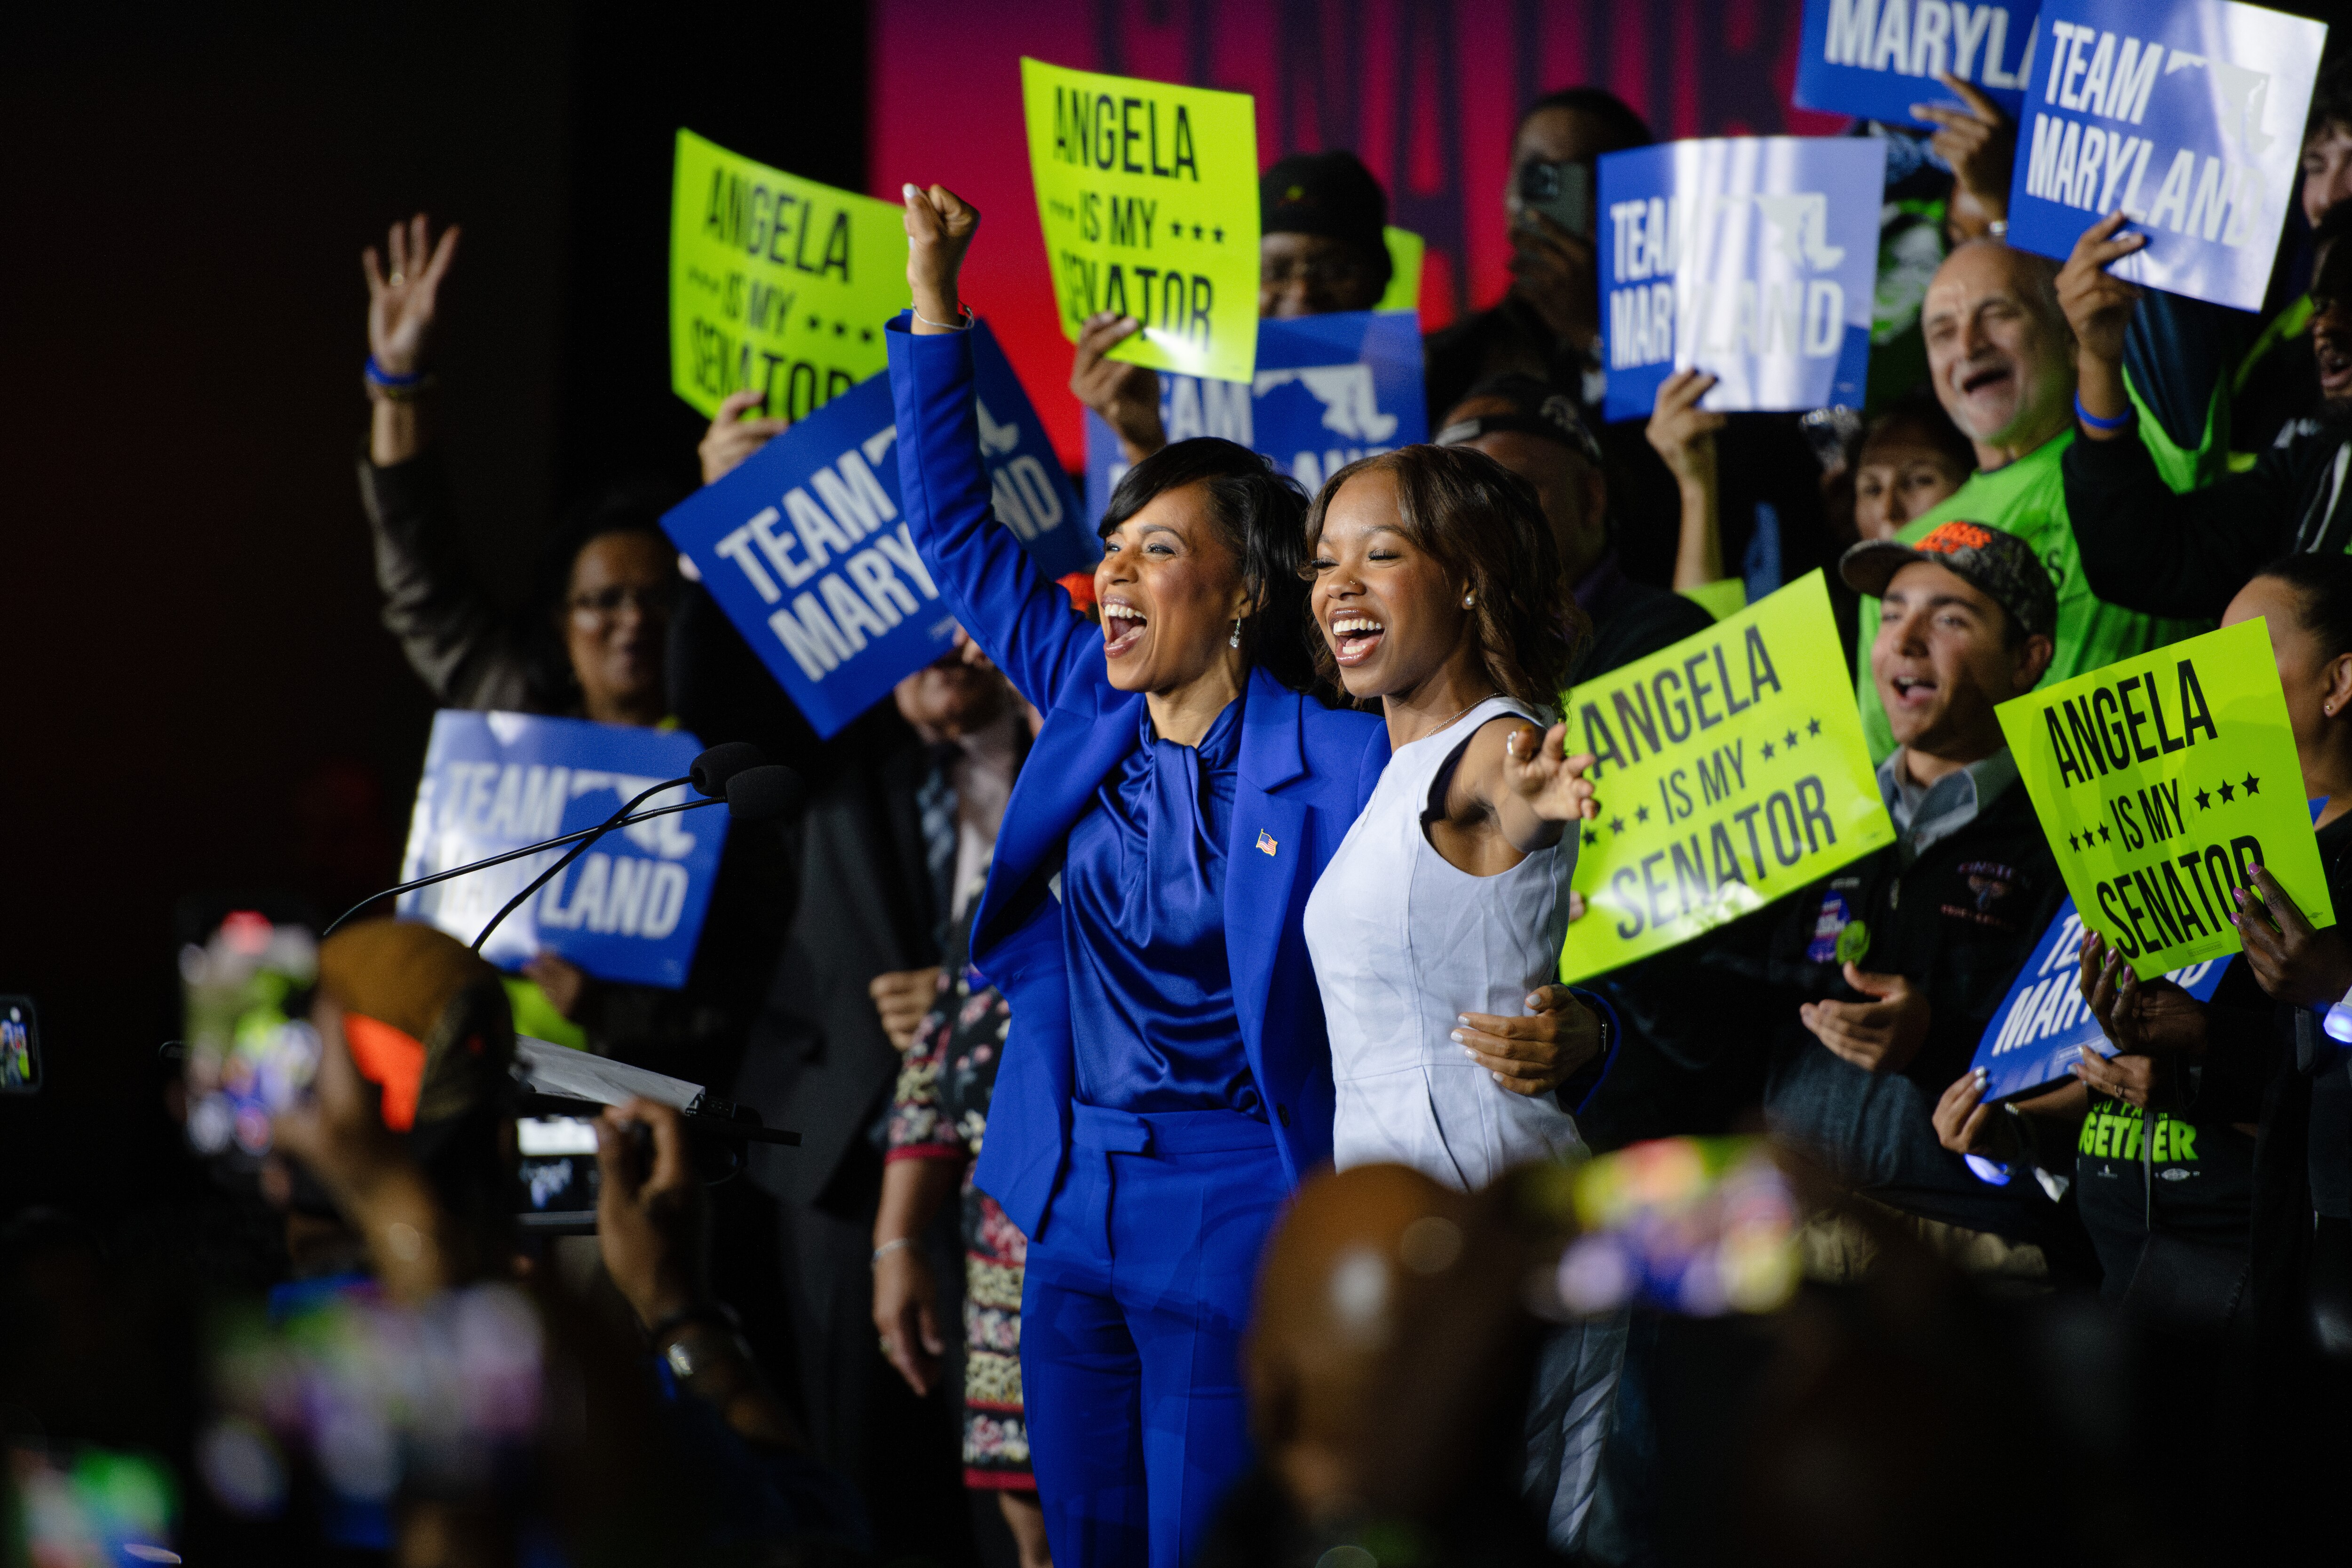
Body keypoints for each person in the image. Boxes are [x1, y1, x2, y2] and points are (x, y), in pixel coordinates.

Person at [888, 180, 1586, 1568]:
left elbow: (1473, 885)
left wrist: (1584, 1019)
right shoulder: (1082, 704)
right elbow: (954, 535)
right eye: (1111, 549)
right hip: (1064, 1183)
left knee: (1200, 1541)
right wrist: (934, 300)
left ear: (1242, 589)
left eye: (1160, 548)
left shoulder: (1339, 755)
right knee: (1080, 1541)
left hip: (1238, 1200)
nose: (1119, 574)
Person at [353, 213, 788, 1088]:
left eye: (657, 598)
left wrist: (613, 1011)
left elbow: (757, 980)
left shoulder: (728, 762)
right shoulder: (511, 704)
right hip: (475, 1107)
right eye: (601, 601)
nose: (632, 620)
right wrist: (399, 381)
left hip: (644, 1120)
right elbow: (419, 570)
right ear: (560, 622)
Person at [1298, 442, 1627, 1549]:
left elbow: (1509, 795)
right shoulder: (1394, 764)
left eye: (1380, 553)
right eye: (1324, 559)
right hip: (1414, 1214)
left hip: (1487, 1212)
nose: (1339, 583)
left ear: (1469, 575)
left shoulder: (1492, 745)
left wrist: (1533, 797)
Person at [1648, 524, 2071, 1276]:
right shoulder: (1807, 821)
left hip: (1969, 1245)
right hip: (1787, 1230)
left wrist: (1931, 1043)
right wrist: (1624, 952)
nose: (1904, 640)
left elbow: (2085, 1060)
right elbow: (1726, 1034)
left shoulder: (2065, 835)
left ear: (2028, 659)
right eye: (1891, 614)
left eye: (1949, 619)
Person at [1850, 238, 2205, 763]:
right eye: (1942, 333)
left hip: (2156, 821)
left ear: (2068, 334)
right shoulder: (1899, 560)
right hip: (1991, 841)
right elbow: (1889, 765)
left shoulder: (2146, 449)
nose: (1968, 345)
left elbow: (2169, 241)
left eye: (1997, 316)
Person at [2060, 205, 2352, 622]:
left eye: (2350, 300)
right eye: (2322, 302)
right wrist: (2100, 359)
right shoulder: (2317, 465)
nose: (2322, 325)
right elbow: (2142, 563)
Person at [1073, 148, 1392, 466]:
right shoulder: (1167, 402)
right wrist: (1143, 445)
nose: (1302, 291)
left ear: (1380, 279)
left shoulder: (1434, 394)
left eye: (1334, 270)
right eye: (1271, 272)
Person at [1432, 374, 1715, 683]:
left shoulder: (1667, 632)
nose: (1480, 522)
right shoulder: (1431, 660)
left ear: (1592, 497)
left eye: (1512, 494)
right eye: (1456, 503)